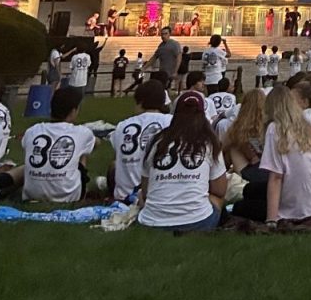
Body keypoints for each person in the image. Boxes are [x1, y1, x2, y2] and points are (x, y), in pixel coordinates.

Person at [137, 91, 226, 231]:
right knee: (216, 200)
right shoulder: (210, 143)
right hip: (197, 220)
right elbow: (220, 190)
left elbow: (146, 190)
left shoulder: (156, 142)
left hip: (151, 221)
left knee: (141, 198)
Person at [260, 85, 311, 221]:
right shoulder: (307, 126)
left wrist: (271, 220)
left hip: (298, 207)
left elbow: (276, 177)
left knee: (248, 200)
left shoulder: (275, 129)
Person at [21, 87, 96, 203]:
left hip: (32, 194)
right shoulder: (82, 132)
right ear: (73, 111)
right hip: (67, 195)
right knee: (83, 153)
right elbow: (95, 143)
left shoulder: (32, 131)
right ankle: (81, 193)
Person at [110, 81, 171, 201]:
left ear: (140, 102)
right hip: (161, 195)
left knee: (114, 166)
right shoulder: (172, 122)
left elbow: (118, 157)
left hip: (125, 196)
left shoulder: (123, 126)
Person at [221, 90, 267, 176]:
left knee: (233, 149)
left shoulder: (237, 128)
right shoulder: (268, 126)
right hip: (267, 170)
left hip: (246, 172)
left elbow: (224, 155)